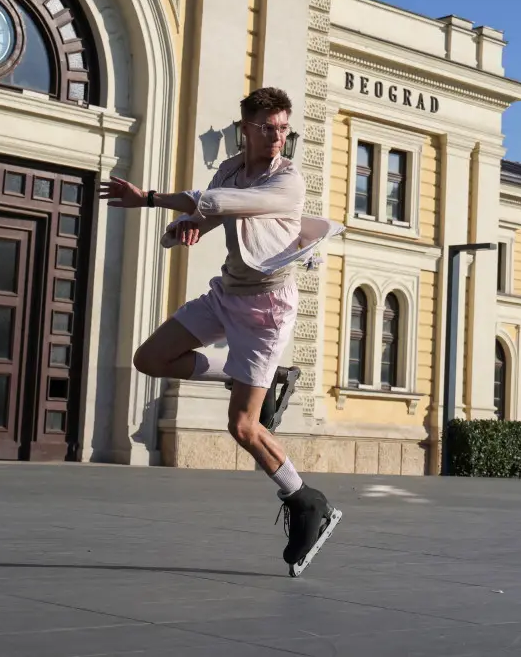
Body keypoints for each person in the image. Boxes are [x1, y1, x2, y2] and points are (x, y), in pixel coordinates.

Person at [99, 86, 343, 577]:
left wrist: (149, 199)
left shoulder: (288, 181)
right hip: (226, 293)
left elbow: (217, 200)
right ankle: (253, 377)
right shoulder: (232, 166)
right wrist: (185, 228)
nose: (278, 137)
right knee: (149, 358)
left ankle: (306, 500)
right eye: (268, 128)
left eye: (283, 129)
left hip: (268, 308)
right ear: (246, 130)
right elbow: (208, 212)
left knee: (243, 427)